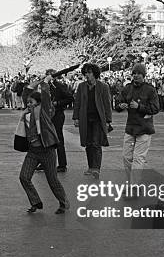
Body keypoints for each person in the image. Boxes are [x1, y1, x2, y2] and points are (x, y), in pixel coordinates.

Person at [18, 78, 69, 214]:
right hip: (33, 151)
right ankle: (35, 201)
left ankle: (63, 202)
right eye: (28, 102)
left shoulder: (45, 111)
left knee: (52, 180)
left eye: (31, 102)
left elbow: (46, 97)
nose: (28, 104)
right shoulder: (27, 114)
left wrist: (45, 83)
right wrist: (31, 85)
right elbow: (25, 94)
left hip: (47, 150)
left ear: (38, 103)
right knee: (24, 177)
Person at [115, 63, 159, 183]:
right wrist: (120, 105)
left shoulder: (150, 89)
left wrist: (139, 106)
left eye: (139, 73)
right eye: (134, 73)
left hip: (145, 128)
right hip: (130, 127)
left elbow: (155, 108)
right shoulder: (127, 88)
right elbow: (117, 103)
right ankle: (131, 181)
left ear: (143, 75)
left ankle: (134, 185)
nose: (136, 76)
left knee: (139, 158)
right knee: (126, 157)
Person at [72, 63, 113, 179]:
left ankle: (96, 168)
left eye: (89, 72)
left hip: (98, 119)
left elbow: (107, 104)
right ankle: (90, 167)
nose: (87, 75)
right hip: (85, 118)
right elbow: (77, 103)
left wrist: (108, 119)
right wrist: (76, 117)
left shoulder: (103, 86)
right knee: (88, 143)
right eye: (85, 73)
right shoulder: (81, 86)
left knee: (96, 143)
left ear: (95, 73)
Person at [40, 68, 73, 172]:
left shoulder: (59, 86)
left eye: (49, 74)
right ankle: (44, 162)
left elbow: (70, 98)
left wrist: (57, 103)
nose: (47, 76)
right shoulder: (44, 86)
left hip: (57, 114)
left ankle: (62, 164)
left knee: (58, 138)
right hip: (46, 115)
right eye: (46, 74)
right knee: (44, 138)